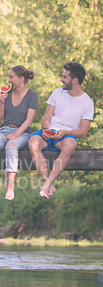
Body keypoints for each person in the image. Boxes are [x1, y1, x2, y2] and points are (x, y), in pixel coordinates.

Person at [29, 62, 94, 198]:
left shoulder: (87, 103)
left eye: (64, 77)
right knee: (33, 142)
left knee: (70, 145)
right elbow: (46, 118)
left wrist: (66, 132)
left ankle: (47, 184)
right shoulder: (57, 92)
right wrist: (46, 130)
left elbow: (83, 132)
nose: (61, 79)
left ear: (74, 80)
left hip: (66, 136)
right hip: (48, 132)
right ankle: (48, 183)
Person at [0, 65, 38, 201]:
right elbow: (0, 118)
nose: (9, 80)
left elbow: (29, 119)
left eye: (11, 77)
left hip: (22, 133)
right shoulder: (8, 94)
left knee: (11, 146)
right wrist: (2, 102)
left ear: (21, 79)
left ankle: (10, 186)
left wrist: (16, 134)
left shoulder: (32, 95)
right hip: (4, 129)